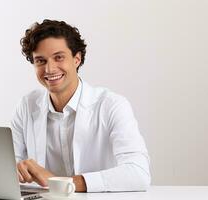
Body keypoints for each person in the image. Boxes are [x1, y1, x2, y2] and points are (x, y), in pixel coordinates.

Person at [11, 19, 151, 192]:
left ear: (77, 59)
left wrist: (61, 183)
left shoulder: (112, 105)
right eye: (40, 60)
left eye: (59, 57)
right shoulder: (26, 106)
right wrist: (16, 170)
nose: (49, 69)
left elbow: (138, 173)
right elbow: (8, 166)